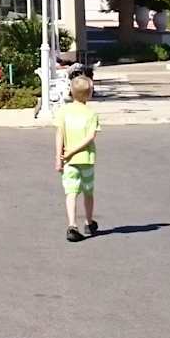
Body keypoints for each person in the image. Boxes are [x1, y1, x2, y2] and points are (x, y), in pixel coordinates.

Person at [55, 74, 101, 242]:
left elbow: (59, 134)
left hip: (68, 161)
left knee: (71, 192)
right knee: (88, 192)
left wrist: (59, 157)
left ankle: (72, 225)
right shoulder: (91, 114)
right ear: (89, 94)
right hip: (86, 158)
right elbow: (90, 137)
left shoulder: (63, 111)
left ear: (71, 91)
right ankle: (89, 222)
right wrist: (74, 151)